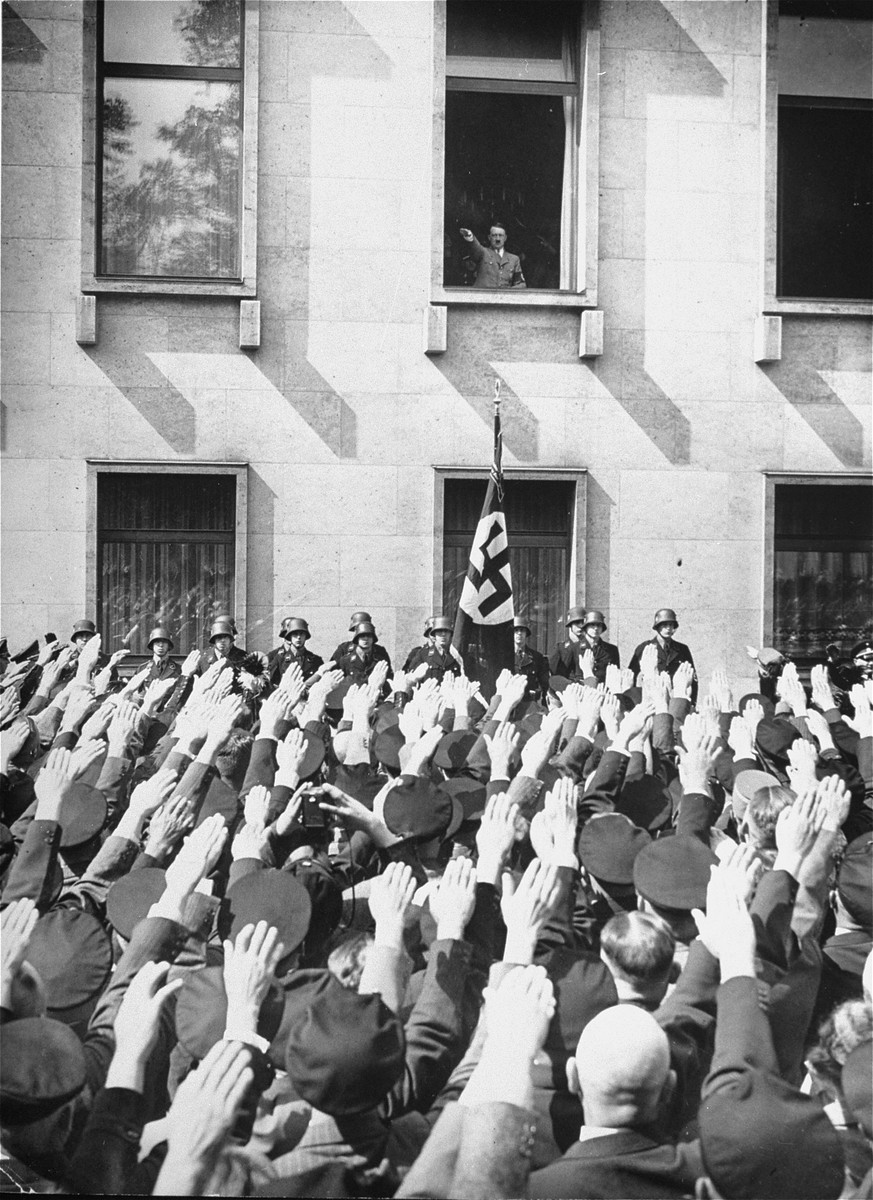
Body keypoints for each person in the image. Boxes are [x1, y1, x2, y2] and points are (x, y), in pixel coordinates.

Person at [628, 608, 696, 688]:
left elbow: (692, 678)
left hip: (675, 696)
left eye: (671, 625)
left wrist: (688, 700)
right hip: (653, 694)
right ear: (658, 626)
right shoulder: (645, 648)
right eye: (665, 625)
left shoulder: (682, 649)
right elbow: (632, 676)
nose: (668, 628)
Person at [458, 223, 526, 289]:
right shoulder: (483, 252)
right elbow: (476, 248)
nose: (498, 239)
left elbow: (521, 284)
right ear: (489, 238)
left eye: (500, 235)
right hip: (483, 297)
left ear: (505, 238)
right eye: (494, 235)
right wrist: (470, 237)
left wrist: (508, 292)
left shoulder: (514, 259)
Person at [267, 618, 324, 690]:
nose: (298, 637)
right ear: (289, 637)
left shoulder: (316, 660)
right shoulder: (280, 659)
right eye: (295, 634)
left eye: (302, 634)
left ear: (306, 637)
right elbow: (271, 683)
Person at [403, 616, 461, 685]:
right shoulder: (423, 654)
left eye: (446, 631)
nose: (443, 634)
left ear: (450, 634)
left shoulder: (456, 655)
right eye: (439, 631)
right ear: (434, 634)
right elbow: (411, 679)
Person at [337, 620, 392, 686]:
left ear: (373, 639)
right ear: (357, 638)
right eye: (362, 636)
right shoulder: (345, 661)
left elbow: (389, 680)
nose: (366, 639)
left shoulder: (381, 661)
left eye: (369, 636)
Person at [513, 617, 550, 703]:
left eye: (522, 630)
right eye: (516, 630)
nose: (519, 633)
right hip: (510, 702)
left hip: (529, 703)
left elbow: (545, 684)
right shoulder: (505, 656)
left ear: (526, 633)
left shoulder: (537, 657)